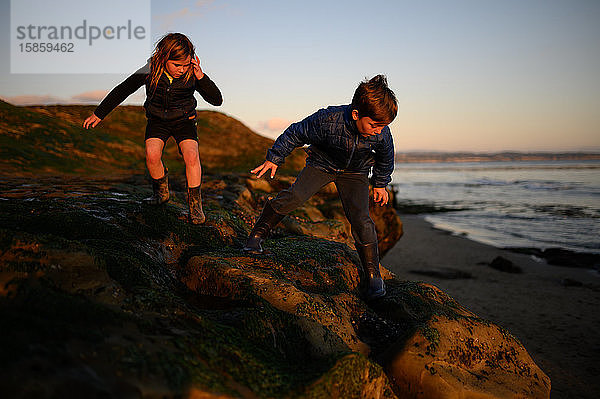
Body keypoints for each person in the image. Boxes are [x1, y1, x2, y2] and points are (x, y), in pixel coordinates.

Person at [244, 75, 397, 300]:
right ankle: (256, 235)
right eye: (374, 125)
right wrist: (275, 157)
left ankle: (374, 275)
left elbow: (386, 158)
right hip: (322, 165)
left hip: (355, 173)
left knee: (362, 219)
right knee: (295, 195)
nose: (378, 131)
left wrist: (381, 184)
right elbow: (296, 132)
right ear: (356, 115)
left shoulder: (381, 132)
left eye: (383, 126)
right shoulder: (328, 119)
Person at [83, 32, 222, 224]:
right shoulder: (150, 70)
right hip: (158, 120)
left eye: (186, 65)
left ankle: (195, 205)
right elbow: (124, 88)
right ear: (165, 58)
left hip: (184, 120)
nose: (182, 70)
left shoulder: (192, 73)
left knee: (191, 155)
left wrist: (201, 77)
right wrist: (99, 113)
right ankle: (161, 193)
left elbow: (217, 100)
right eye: (177, 65)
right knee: (152, 154)